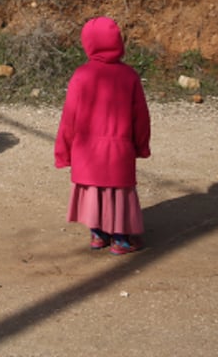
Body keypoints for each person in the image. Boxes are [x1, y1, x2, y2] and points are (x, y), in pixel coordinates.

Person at [54, 16, 151, 255]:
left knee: (94, 192)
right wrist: (141, 146)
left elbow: (69, 120)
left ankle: (98, 235)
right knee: (118, 194)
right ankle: (120, 239)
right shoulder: (130, 77)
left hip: (87, 152)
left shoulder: (81, 76)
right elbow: (142, 118)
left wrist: (63, 153)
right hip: (119, 151)